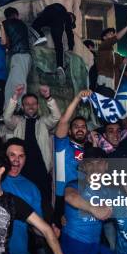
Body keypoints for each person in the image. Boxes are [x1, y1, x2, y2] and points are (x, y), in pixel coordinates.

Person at [58, 148, 114, 254]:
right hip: (73, 244)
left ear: (106, 165)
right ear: (84, 166)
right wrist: (93, 209)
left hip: (94, 247)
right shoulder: (74, 184)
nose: (96, 167)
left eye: (100, 162)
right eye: (91, 163)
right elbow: (70, 197)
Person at [3, 84, 60, 214]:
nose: (30, 106)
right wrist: (15, 97)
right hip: (21, 171)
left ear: (38, 106)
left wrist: (48, 97)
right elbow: (6, 118)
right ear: (22, 107)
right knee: (22, 204)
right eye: (27, 104)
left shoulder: (44, 123)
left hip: (41, 172)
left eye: (34, 103)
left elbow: (56, 117)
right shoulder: (17, 122)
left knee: (44, 205)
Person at [54, 90, 92, 226]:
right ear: (70, 131)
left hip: (85, 196)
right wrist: (77, 98)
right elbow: (64, 120)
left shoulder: (90, 150)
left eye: (83, 127)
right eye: (76, 127)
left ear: (87, 131)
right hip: (62, 196)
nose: (80, 129)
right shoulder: (62, 145)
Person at [95, 13, 127, 96]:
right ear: (104, 38)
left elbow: (121, 67)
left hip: (113, 87)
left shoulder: (115, 55)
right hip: (104, 84)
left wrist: (125, 62)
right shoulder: (103, 46)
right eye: (110, 33)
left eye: (113, 33)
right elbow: (116, 38)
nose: (113, 34)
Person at [31, 3, 76, 79]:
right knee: (58, 44)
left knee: (34, 25)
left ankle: (41, 37)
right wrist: (71, 48)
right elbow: (69, 33)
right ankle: (60, 66)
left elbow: (41, 15)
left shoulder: (58, 9)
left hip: (47, 15)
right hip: (56, 19)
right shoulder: (68, 16)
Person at [2, 7, 32, 107]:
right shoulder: (22, 24)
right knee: (12, 84)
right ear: (16, 14)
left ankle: (19, 108)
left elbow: (5, 42)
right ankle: (10, 109)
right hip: (24, 56)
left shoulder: (6, 23)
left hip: (19, 55)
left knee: (17, 85)